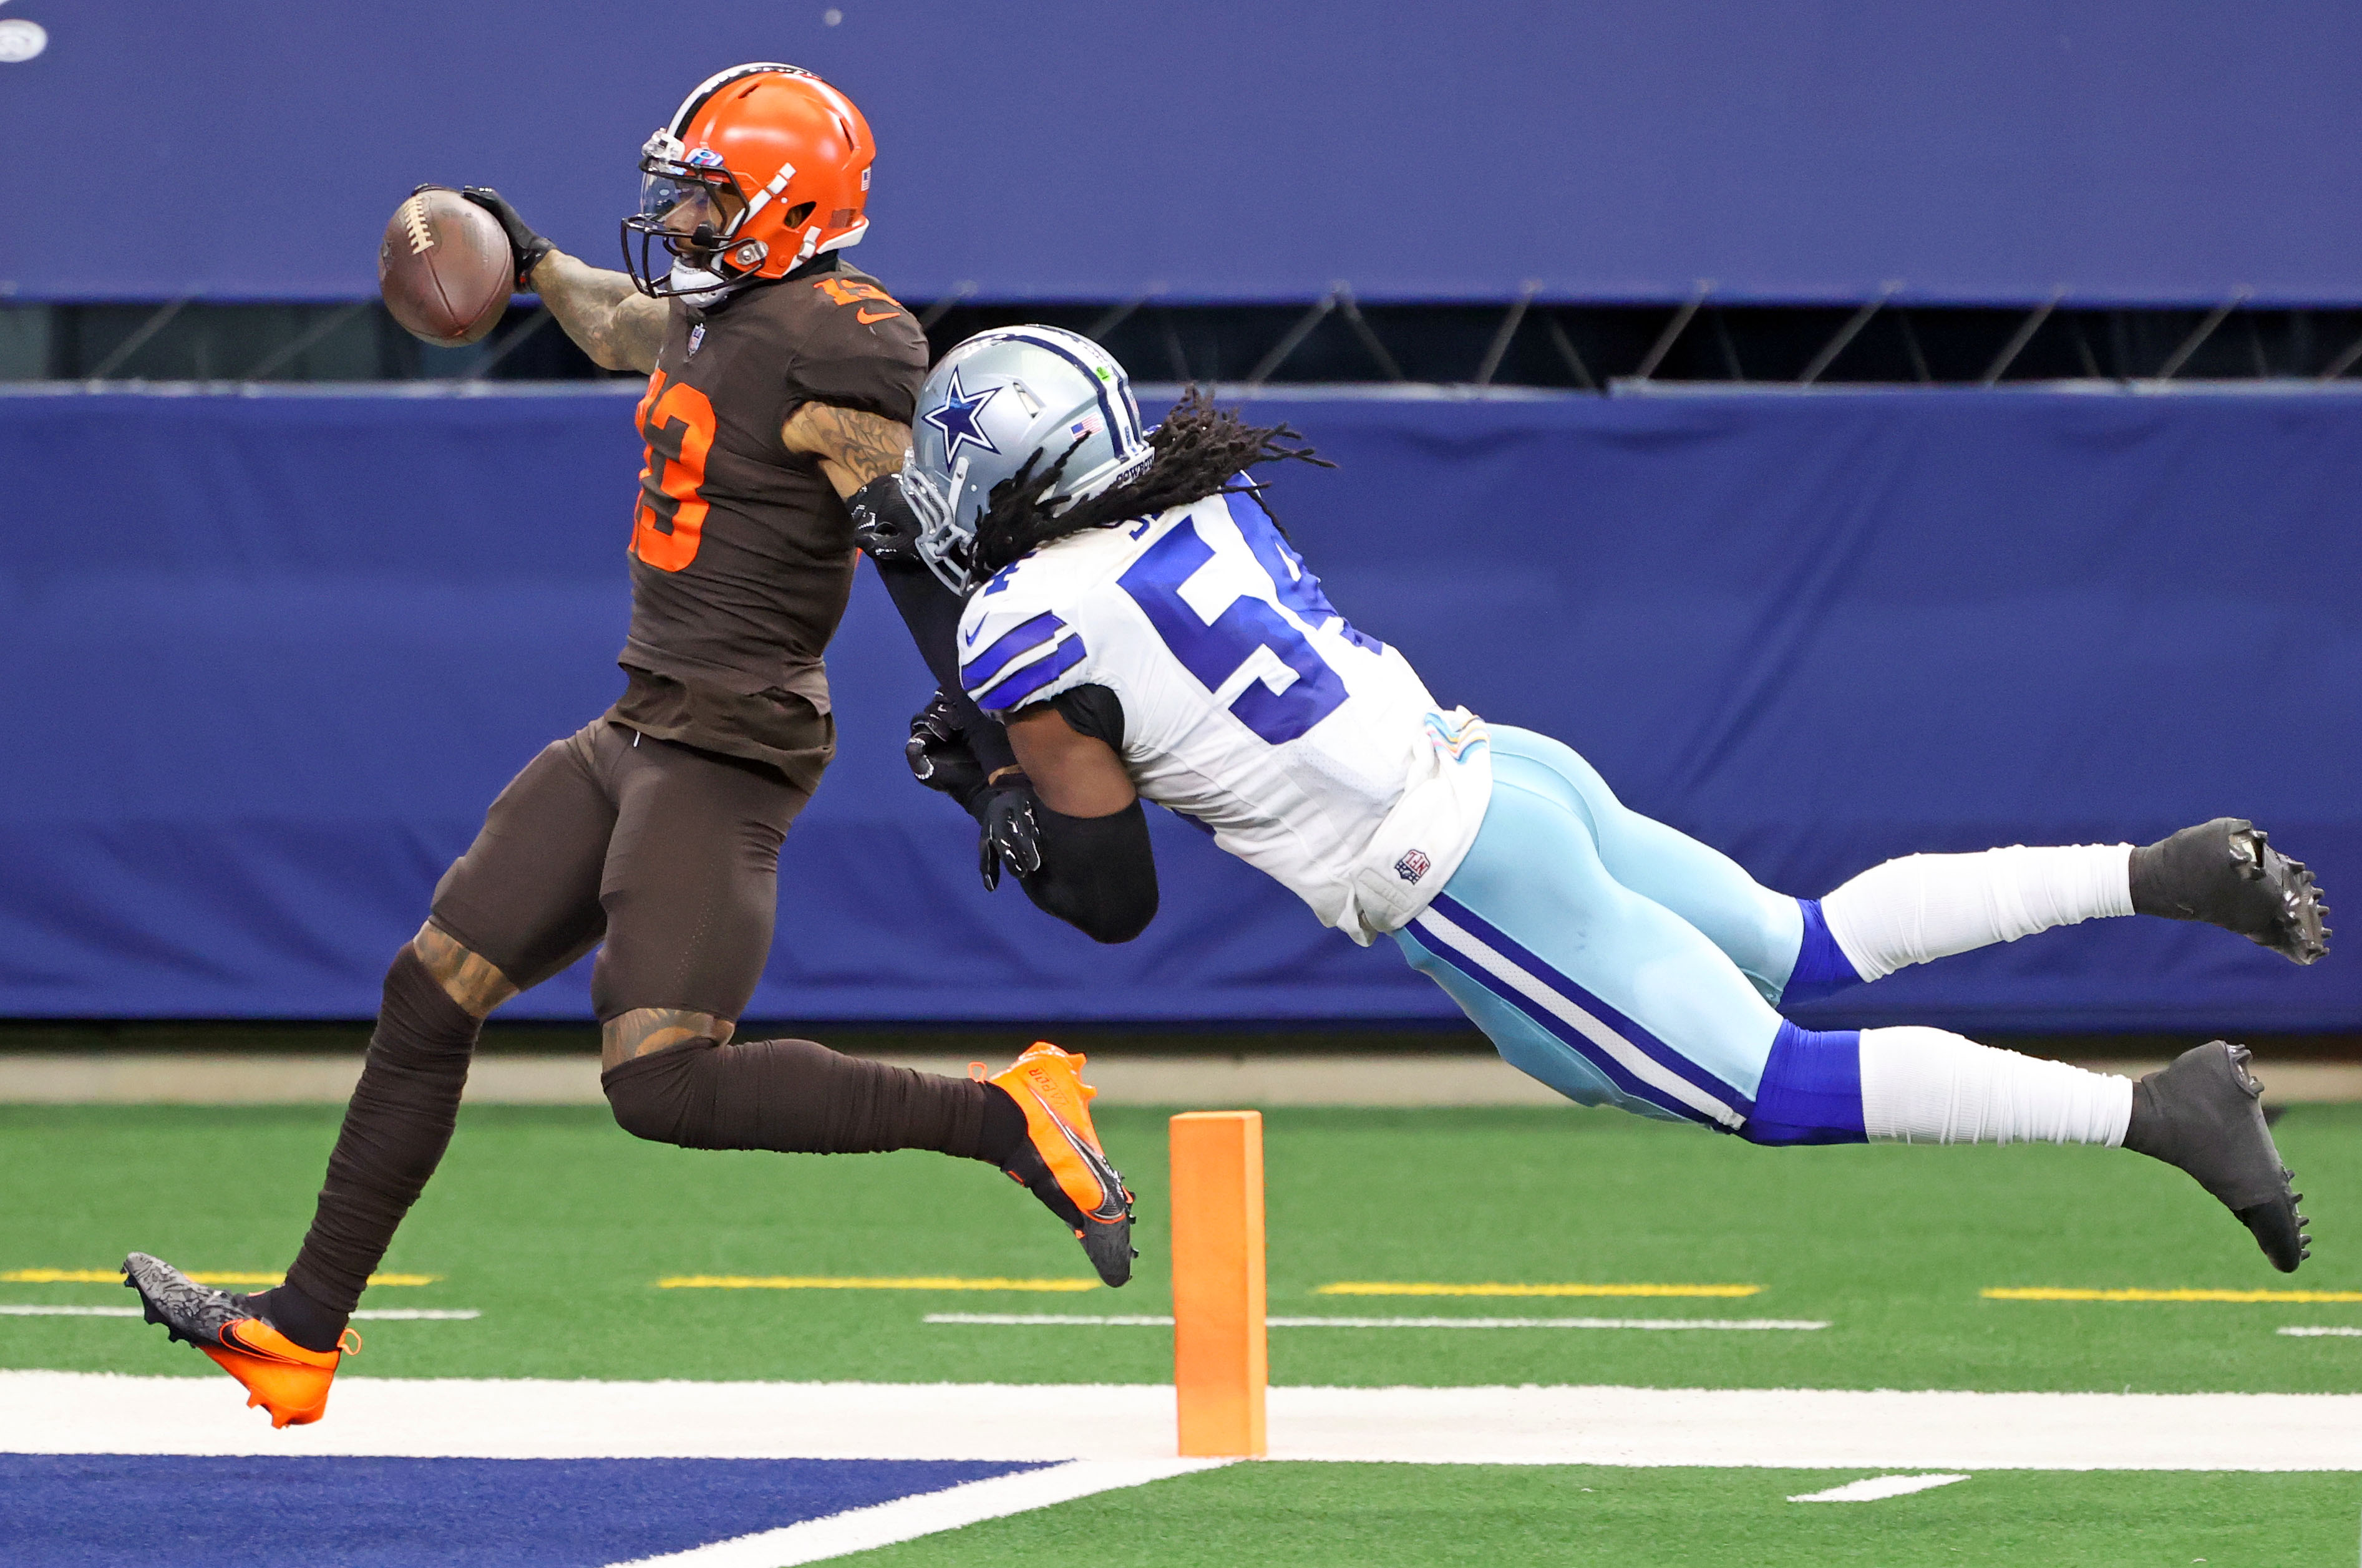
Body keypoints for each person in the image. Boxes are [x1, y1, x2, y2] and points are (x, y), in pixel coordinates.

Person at [858, 324, 2330, 1288]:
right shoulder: (1206, 494)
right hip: (1510, 774)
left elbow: (1110, 899)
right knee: (1803, 945)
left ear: (1016, 476)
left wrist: (990, 780)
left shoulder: (1029, 626)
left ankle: (2157, 1112)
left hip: (1458, 878)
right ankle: (2150, 872)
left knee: (1776, 1084)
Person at [122, 69, 1131, 1433]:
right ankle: (299, 1335)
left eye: (708, 190)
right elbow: (612, 322)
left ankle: (1009, 1116)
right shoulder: (722, 313)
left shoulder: (842, 342)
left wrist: (1002, 754)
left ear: (784, 206)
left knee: (662, 1081)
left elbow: (912, 555)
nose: (680, 210)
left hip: (730, 743)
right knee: (429, 992)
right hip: (641, 719)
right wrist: (529, 253)